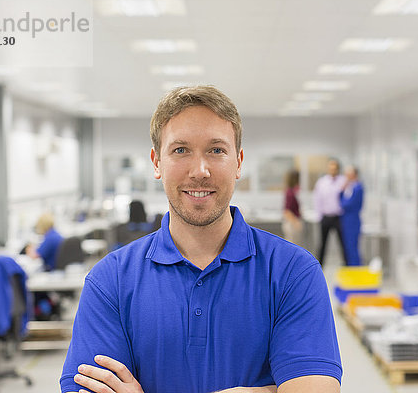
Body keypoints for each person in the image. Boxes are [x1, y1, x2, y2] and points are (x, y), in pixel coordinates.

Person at [60, 86, 342, 393]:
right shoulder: (110, 280)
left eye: (216, 150)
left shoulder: (293, 272)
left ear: (238, 162)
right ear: (156, 162)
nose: (200, 170)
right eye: (181, 150)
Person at [313, 159, 347, 266]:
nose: (333, 170)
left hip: (339, 217)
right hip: (326, 217)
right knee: (322, 244)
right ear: (328, 169)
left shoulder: (343, 181)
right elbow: (317, 200)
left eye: (335, 168)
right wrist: (319, 216)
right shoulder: (322, 182)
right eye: (331, 168)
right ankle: (319, 267)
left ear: (338, 169)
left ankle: (347, 266)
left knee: (343, 244)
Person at [339, 165, 364, 266]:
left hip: (352, 220)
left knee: (352, 246)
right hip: (346, 220)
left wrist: (342, 201)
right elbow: (342, 200)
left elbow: (347, 204)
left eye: (348, 174)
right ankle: (351, 269)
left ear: (354, 174)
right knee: (348, 247)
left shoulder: (358, 188)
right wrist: (341, 191)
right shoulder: (350, 187)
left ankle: (356, 269)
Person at [281, 169, 303, 245]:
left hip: (292, 221)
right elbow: (287, 211)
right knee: (292, 246)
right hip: (291, 222)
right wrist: (296, 222)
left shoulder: (292, 191)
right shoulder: (290, 193)